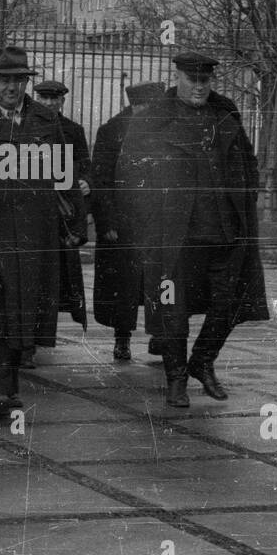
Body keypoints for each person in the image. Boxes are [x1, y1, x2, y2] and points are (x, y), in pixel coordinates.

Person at [118, 52, 269, 407]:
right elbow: (129, 174)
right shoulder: (155, 116)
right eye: (192, 80)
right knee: (172, 308)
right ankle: (175, 378)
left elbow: (246, 162)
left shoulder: (225, 111)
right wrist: (148, 221)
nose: (199, 87)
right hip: (173, 234)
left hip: (224, 230)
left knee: (229, 303)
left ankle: (202, 361)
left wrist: (245, 199)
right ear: (179, 77)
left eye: (205, 80)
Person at [0, 46, 81, 418]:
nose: (12, 87)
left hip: (34, 236)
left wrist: (73, 225)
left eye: (19, 80)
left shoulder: (45, 122)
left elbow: (63, 178)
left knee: (22, 313)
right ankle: (0, 391)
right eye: (4, 80)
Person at [91, 80, 164, 361]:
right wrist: (106, 222)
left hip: (158, 221)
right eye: (144, 106)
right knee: (123, 285)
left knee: (160, 282)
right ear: (135, 106)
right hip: (124, 223)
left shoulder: (167, 130)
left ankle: (161, 336)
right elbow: (101, 178)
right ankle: (122, 338)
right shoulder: (111, 132)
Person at [33, 78, 91, 347]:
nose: (49, 103)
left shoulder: (73, 130)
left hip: (61, 216)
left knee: (56, 279)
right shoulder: (25, 126)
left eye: (54, 99)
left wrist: (85, 182)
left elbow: (85, 166)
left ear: (62, 101)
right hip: (33, 210)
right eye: (44, 98)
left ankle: (42, 334)